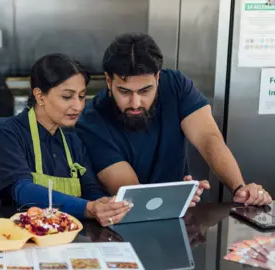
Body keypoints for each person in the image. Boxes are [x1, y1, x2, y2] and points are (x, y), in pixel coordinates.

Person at [75, 33, 272, 207]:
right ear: (109, 81)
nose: (135, 103)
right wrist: (174, 197)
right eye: (124, 92)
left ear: (158, 78)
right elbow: (130, 191)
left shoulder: (176, 86)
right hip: (123, 221)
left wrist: (240, 188)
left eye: (145, 91)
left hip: (179, 213)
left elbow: (208, 139)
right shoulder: (92, 121)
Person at [0, 53, 132, 226]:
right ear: (40, 96)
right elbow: (22, 191)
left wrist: (107, 206)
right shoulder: (6, 131)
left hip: (65, 240)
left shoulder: (73, 141)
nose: (78, 106)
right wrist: (88, 208)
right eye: (67, 96)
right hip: (16, 239)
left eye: (82, 96)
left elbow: (91, 190)